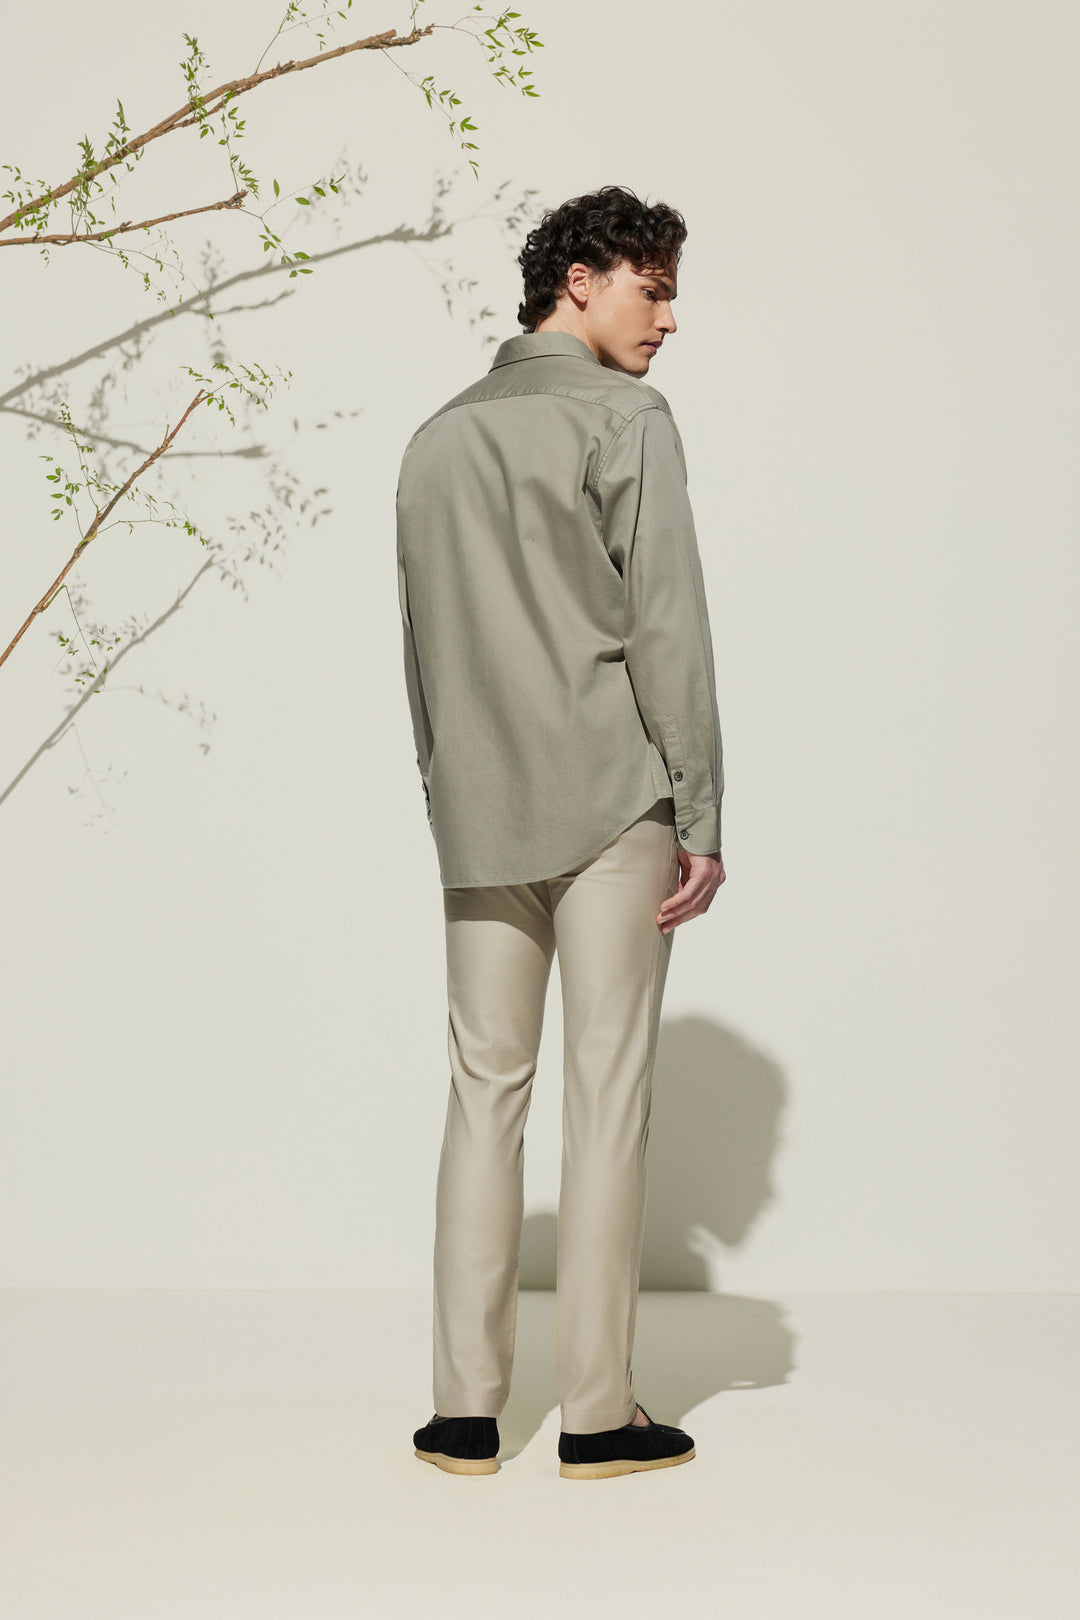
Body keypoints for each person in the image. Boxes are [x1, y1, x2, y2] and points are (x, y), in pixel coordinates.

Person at [395, 185, 726, 1480]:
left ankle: (461, 1414)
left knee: (484, 1094)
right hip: (610, 802)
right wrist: (700, 811)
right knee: (606, 1097)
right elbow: (667, 627)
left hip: (478, 810)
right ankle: (595, 1414)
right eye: (654, 287)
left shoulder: (434, 440)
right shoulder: (626, 419)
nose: (670, 319)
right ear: (576, 280)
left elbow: (422, 654)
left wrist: (450, 794)